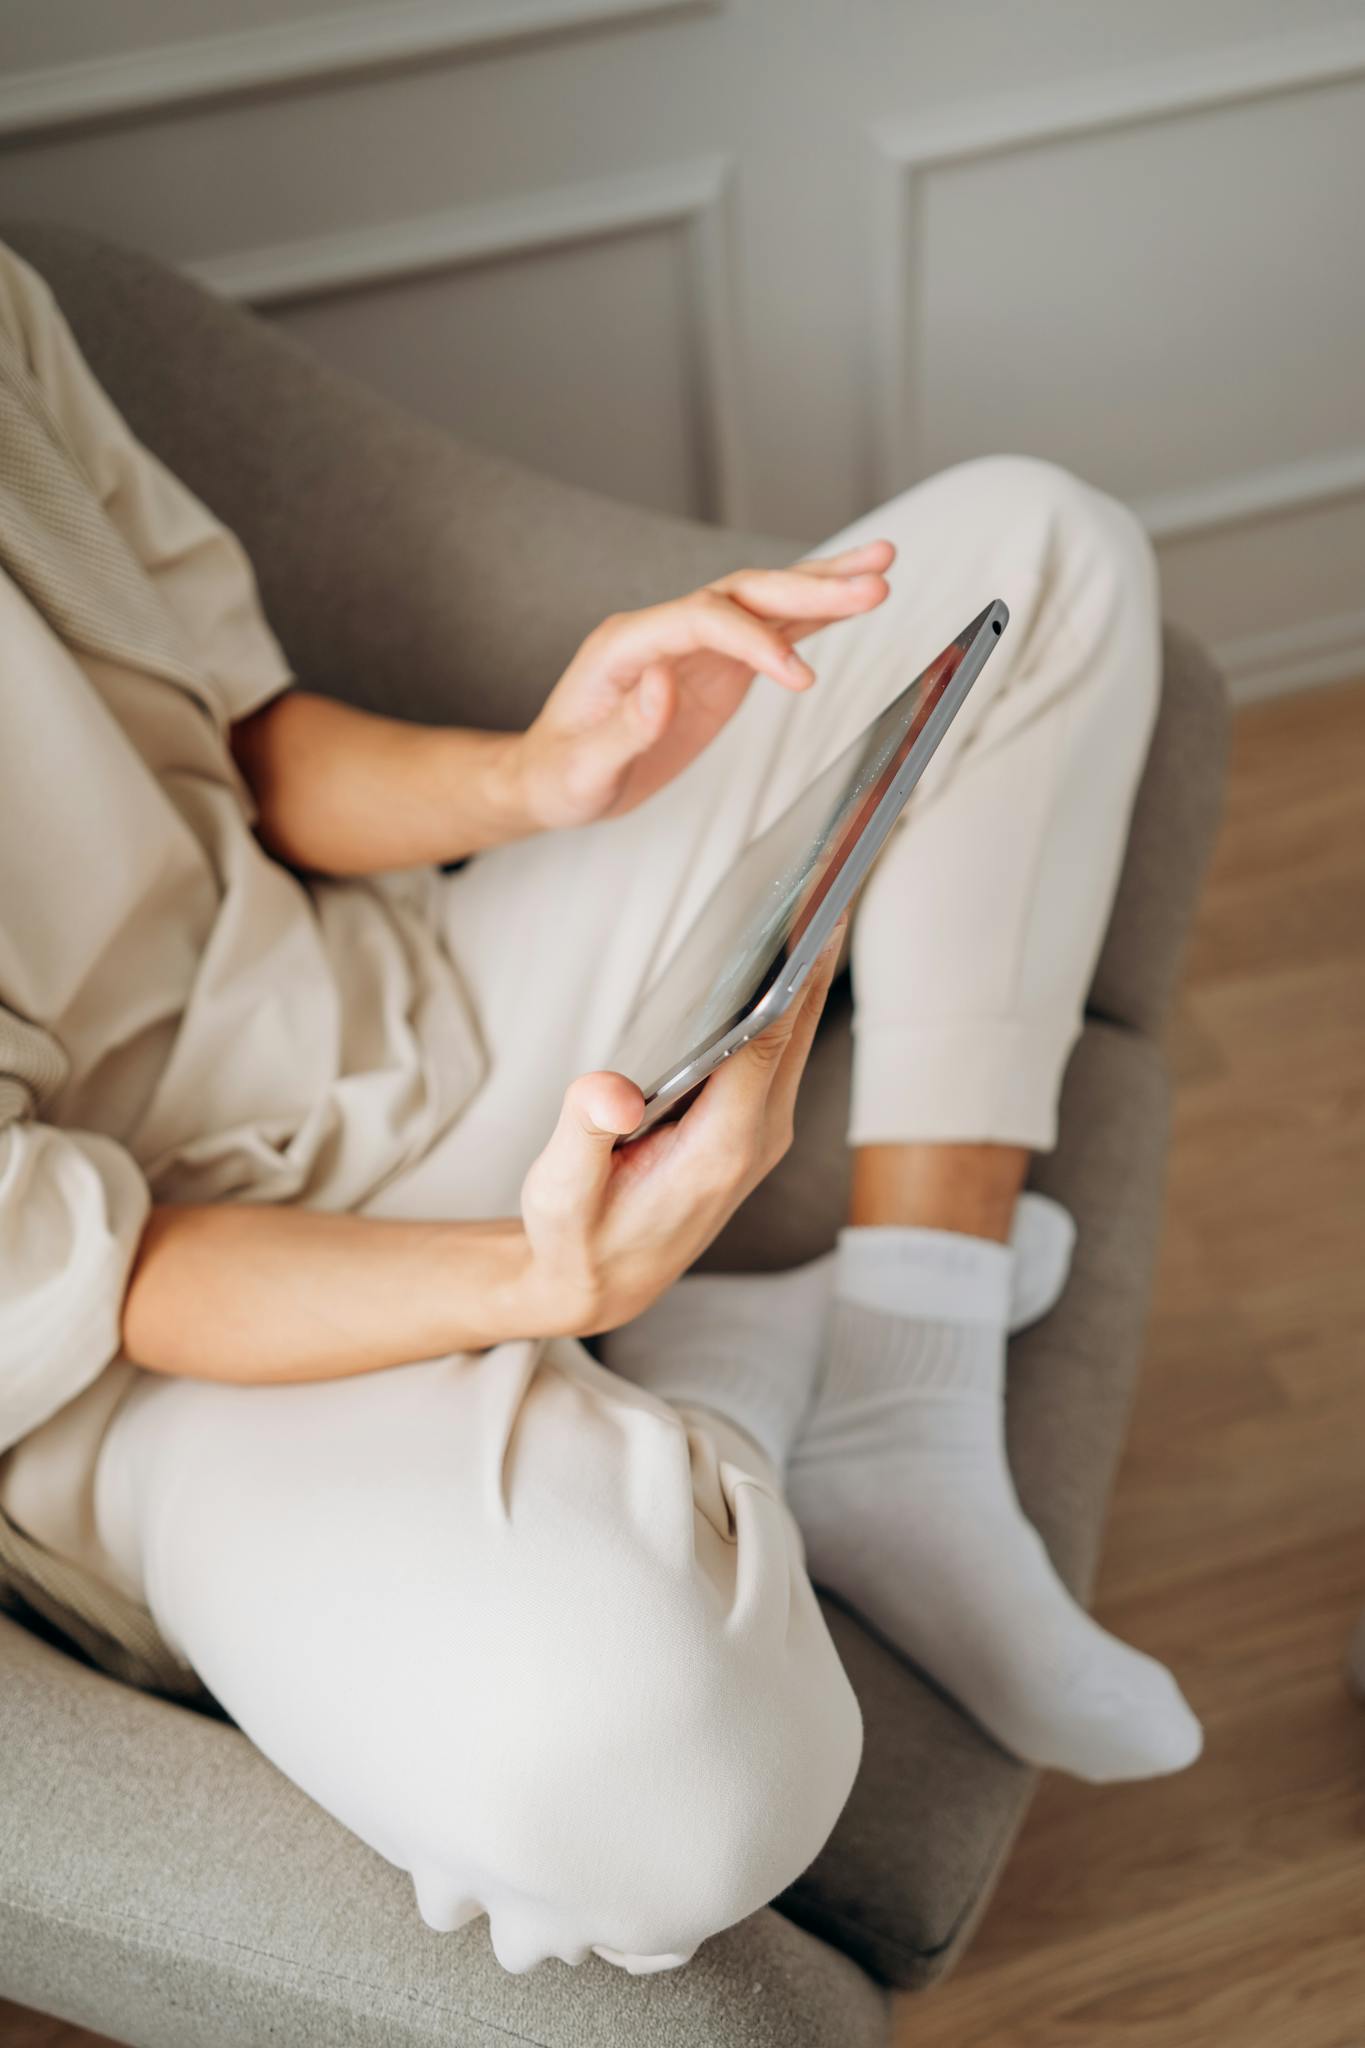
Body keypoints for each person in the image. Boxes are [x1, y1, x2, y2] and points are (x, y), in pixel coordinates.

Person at [0, 240, 1200, 1977]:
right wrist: (545, 1287)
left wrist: (544, 775)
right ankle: (698, 1376)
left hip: (393, 1004)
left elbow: (242, 743)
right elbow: (99, 1282)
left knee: (1037, 553)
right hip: (157, 1364)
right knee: (675, 1789)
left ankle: (903, 1394)